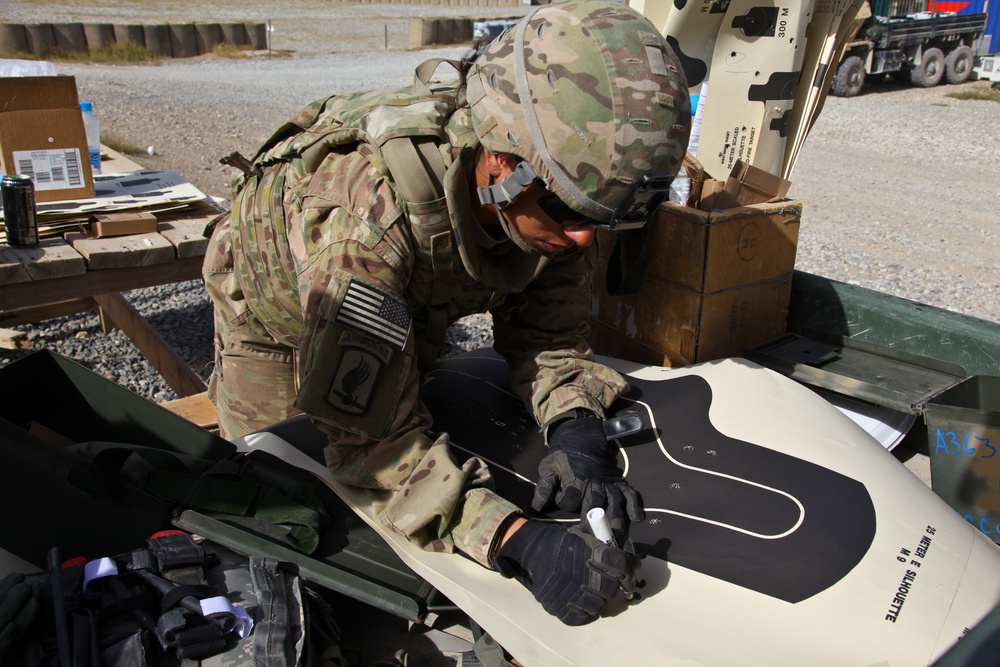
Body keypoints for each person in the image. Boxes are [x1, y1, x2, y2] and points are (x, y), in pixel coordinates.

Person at [203, 0, 690, 626]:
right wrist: (514, 540)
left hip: (401, 302)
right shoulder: (366, 232)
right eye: (569, 215)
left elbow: (547, 335)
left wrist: (575, 429)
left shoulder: (555, 194)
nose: (582, 240)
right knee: (284, 505)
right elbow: (370, 448)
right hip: (277, 320)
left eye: (597, 218)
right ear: (501, 163)